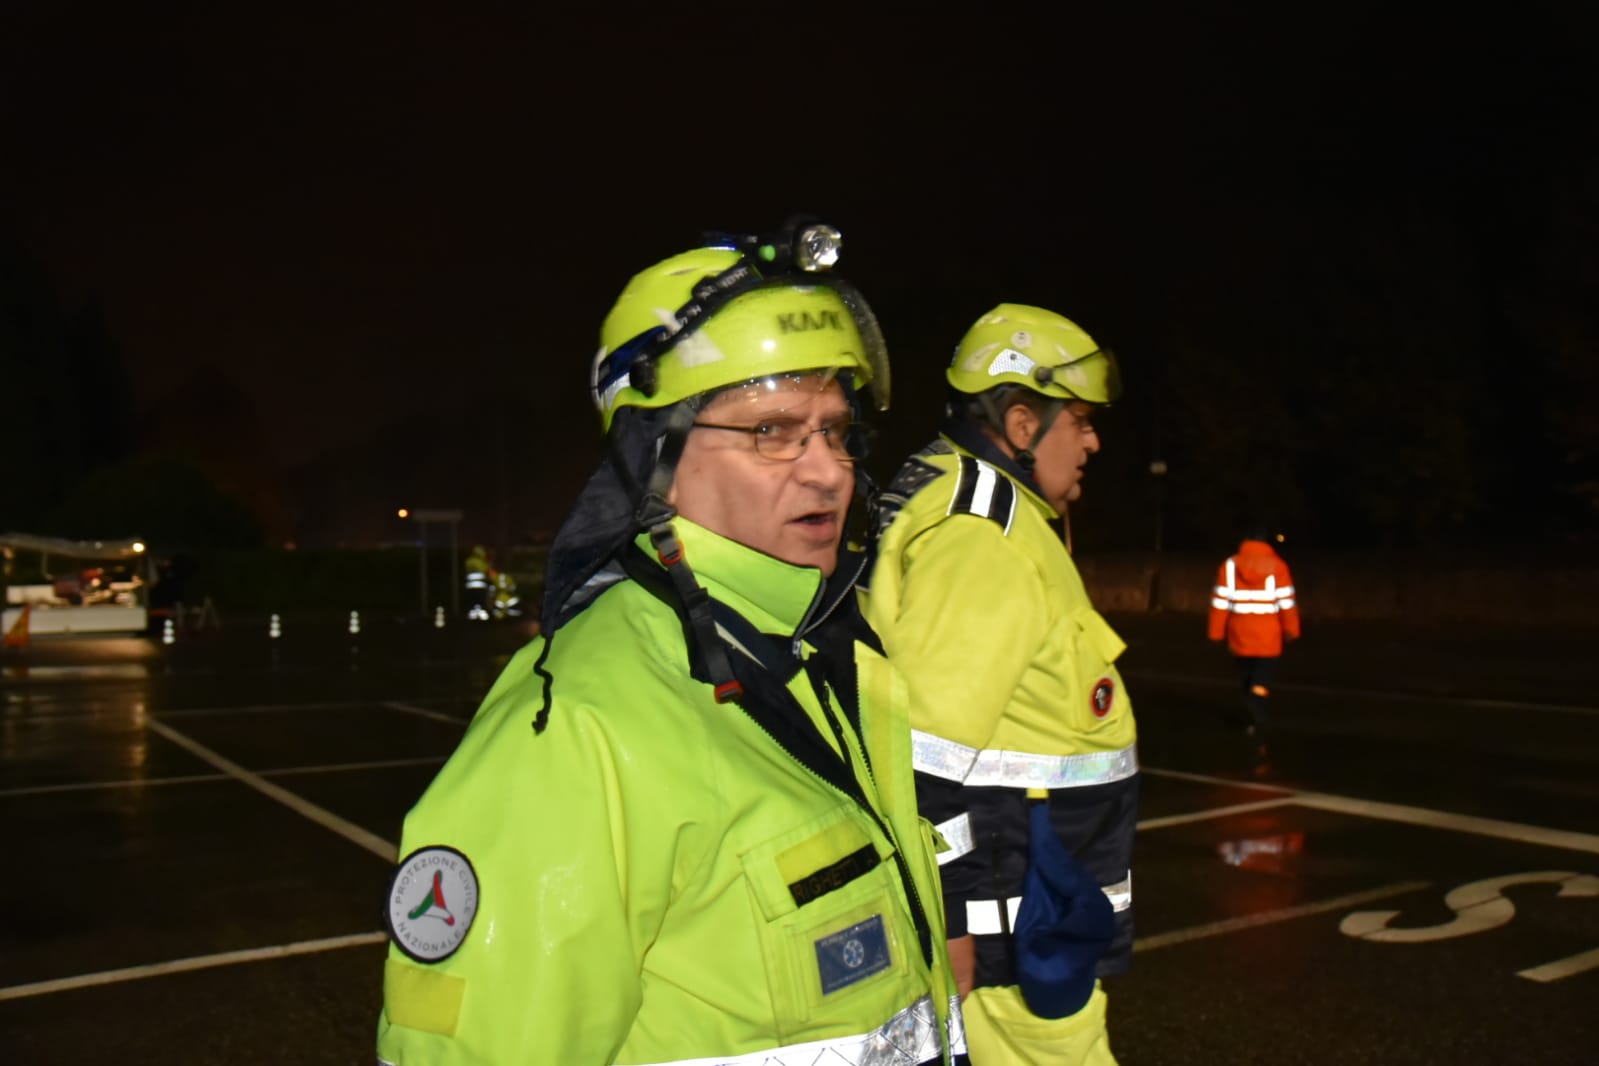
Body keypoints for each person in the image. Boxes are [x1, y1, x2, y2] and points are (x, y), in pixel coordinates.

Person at [376, 219, 967, 1065]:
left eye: (835, 431)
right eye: (771, 432)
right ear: (654, 460)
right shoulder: (579, 728)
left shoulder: (820, 653)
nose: (827, 470)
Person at [864, 304, 1137, 1064]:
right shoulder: (983, 537)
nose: (1092, 442)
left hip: (1032, 902)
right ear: (1022, 424)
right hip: (1016, 924)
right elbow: (921, 755)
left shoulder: (971, 502)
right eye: (1079, 421)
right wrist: (951, 921)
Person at [1207, 525, 1301, 771]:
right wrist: (1292, 630)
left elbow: (1220, 602)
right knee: (1261, 680)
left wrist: (1216, 632)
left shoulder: (1229, 566)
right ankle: (1256, 711)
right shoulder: (1278, 566)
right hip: (1269, 638)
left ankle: (1252, 711)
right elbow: (1286, 602)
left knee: (1247, 677)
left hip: (1240, 635)